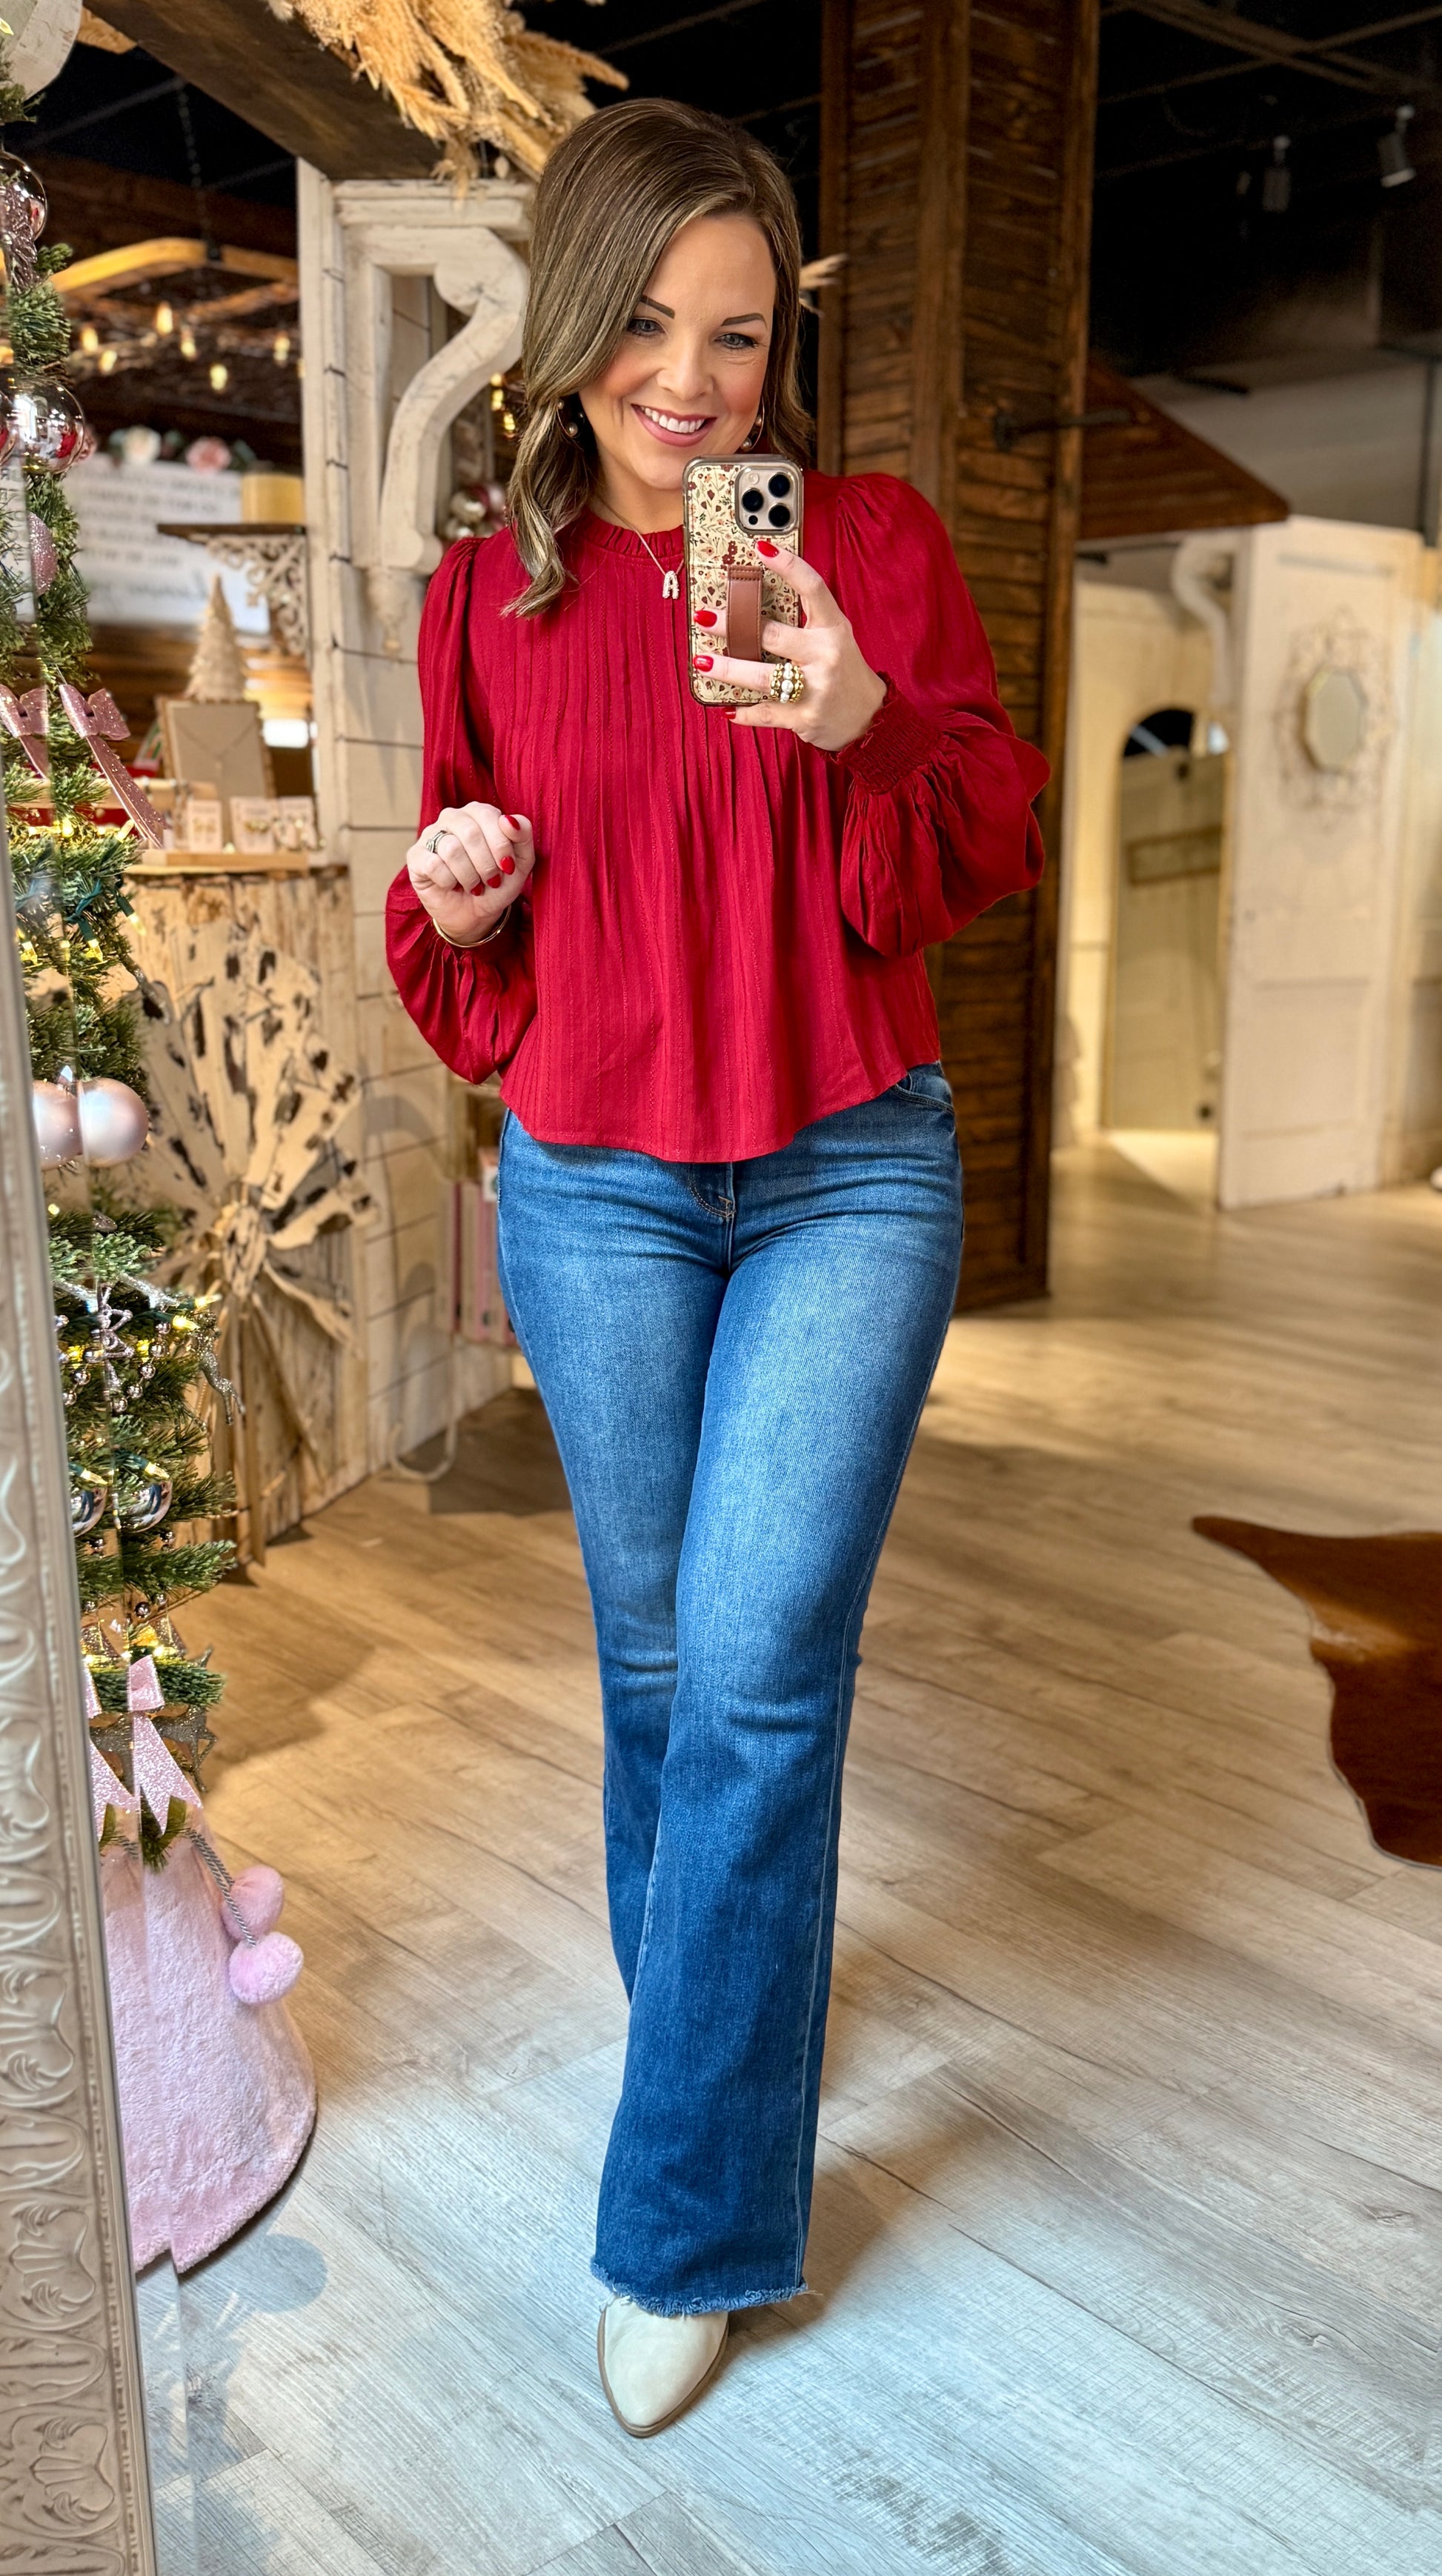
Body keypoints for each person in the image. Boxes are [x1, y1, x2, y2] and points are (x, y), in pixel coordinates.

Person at [387, 95, 1048, 2438]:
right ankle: (717, 2028)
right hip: (596, 1187)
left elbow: (980, 835)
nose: (691, 381)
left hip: (850, 1169)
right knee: (659, 1664)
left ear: (784, 348)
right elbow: (460, 931)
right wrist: (461, 893)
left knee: (758, 1670)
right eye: (649, 327)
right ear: (572, 328)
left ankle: (682, 2217)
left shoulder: (859, 546)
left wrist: (858, 720)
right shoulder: (490, 597)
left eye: (739, 336)